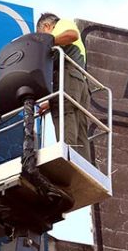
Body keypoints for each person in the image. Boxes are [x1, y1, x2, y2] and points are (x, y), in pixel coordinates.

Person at [36, 13, 92, 161]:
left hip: (68, 75)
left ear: (47, 26)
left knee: (64, 112)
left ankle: (67, 158)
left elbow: (71, 34)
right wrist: (50, 102)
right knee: (79, 127)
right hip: (80, 83)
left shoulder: (61, 25)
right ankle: (82, 163)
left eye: (42, 34)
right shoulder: (69, 47)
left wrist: (46, 42)